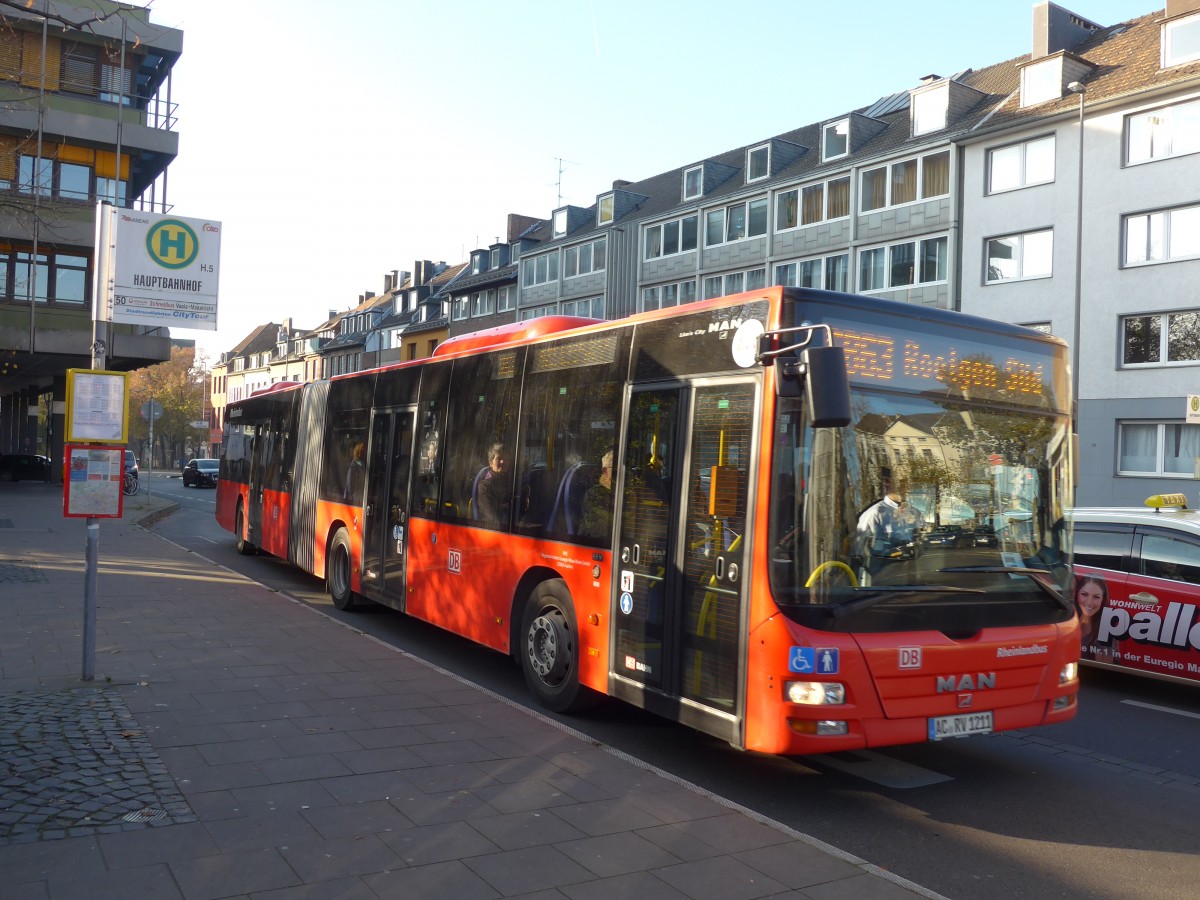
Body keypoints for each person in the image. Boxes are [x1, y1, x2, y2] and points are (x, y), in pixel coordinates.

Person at [855, 481, 911, 579]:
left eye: (905, 489)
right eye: (900, 488)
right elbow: (860, 545)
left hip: (899, 569)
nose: (904, 492)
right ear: (889, 489)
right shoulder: (875, 513)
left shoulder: (901, 510)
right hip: (878, 569)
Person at [1075, 574, 1115, 663]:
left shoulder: (1105, 632)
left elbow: (1105, 669)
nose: (1089, 602)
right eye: (1084, 594)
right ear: (1077, 594)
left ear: (1102, 599)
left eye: (1096, 597)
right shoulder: (1065, 620)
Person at [579, 450, 614, 540]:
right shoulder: (594, 494)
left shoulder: (628, 492)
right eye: (614, 468)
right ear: (605, 470)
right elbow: (597, 528)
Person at [475, 442, 510, 526]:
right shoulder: (484, 485)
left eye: (506, 458)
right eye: (499, 458)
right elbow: (491, 517)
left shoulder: (509, 480)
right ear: (490, 463)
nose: (503, 461)